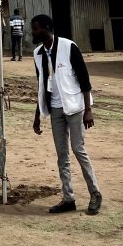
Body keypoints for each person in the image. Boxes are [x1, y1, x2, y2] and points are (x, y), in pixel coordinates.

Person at [30, 14, 102, 215]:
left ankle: (95, 193)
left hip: (76, 107)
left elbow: (84, 80)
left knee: (78, 150)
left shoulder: (69, 47)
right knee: (62, 155)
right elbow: (41, 86)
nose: (33, 32)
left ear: (47, 28)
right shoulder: (38, 53)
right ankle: (68, 198)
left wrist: (88, 110)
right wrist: (38, 115)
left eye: (35, 29)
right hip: (55, 110)